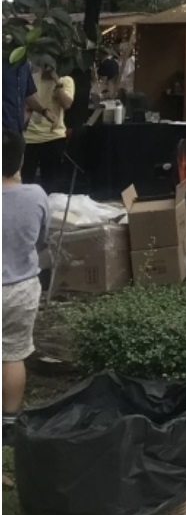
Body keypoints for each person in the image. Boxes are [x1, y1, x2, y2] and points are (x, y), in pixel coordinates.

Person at [3, 131, 51, 441]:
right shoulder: (37, 195)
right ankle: (7, 422)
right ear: (21, 159)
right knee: (13, 354)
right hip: (20, 289)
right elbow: (42, 240)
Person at [21, 56, 75, 185]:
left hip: (53, 136)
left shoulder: (65, 80)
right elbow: (27, 104)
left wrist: (56, 81)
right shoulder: (33, 78)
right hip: (30, 137)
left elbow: (67, 104)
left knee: (51, 181)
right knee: (26, 179)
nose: (46, 68)